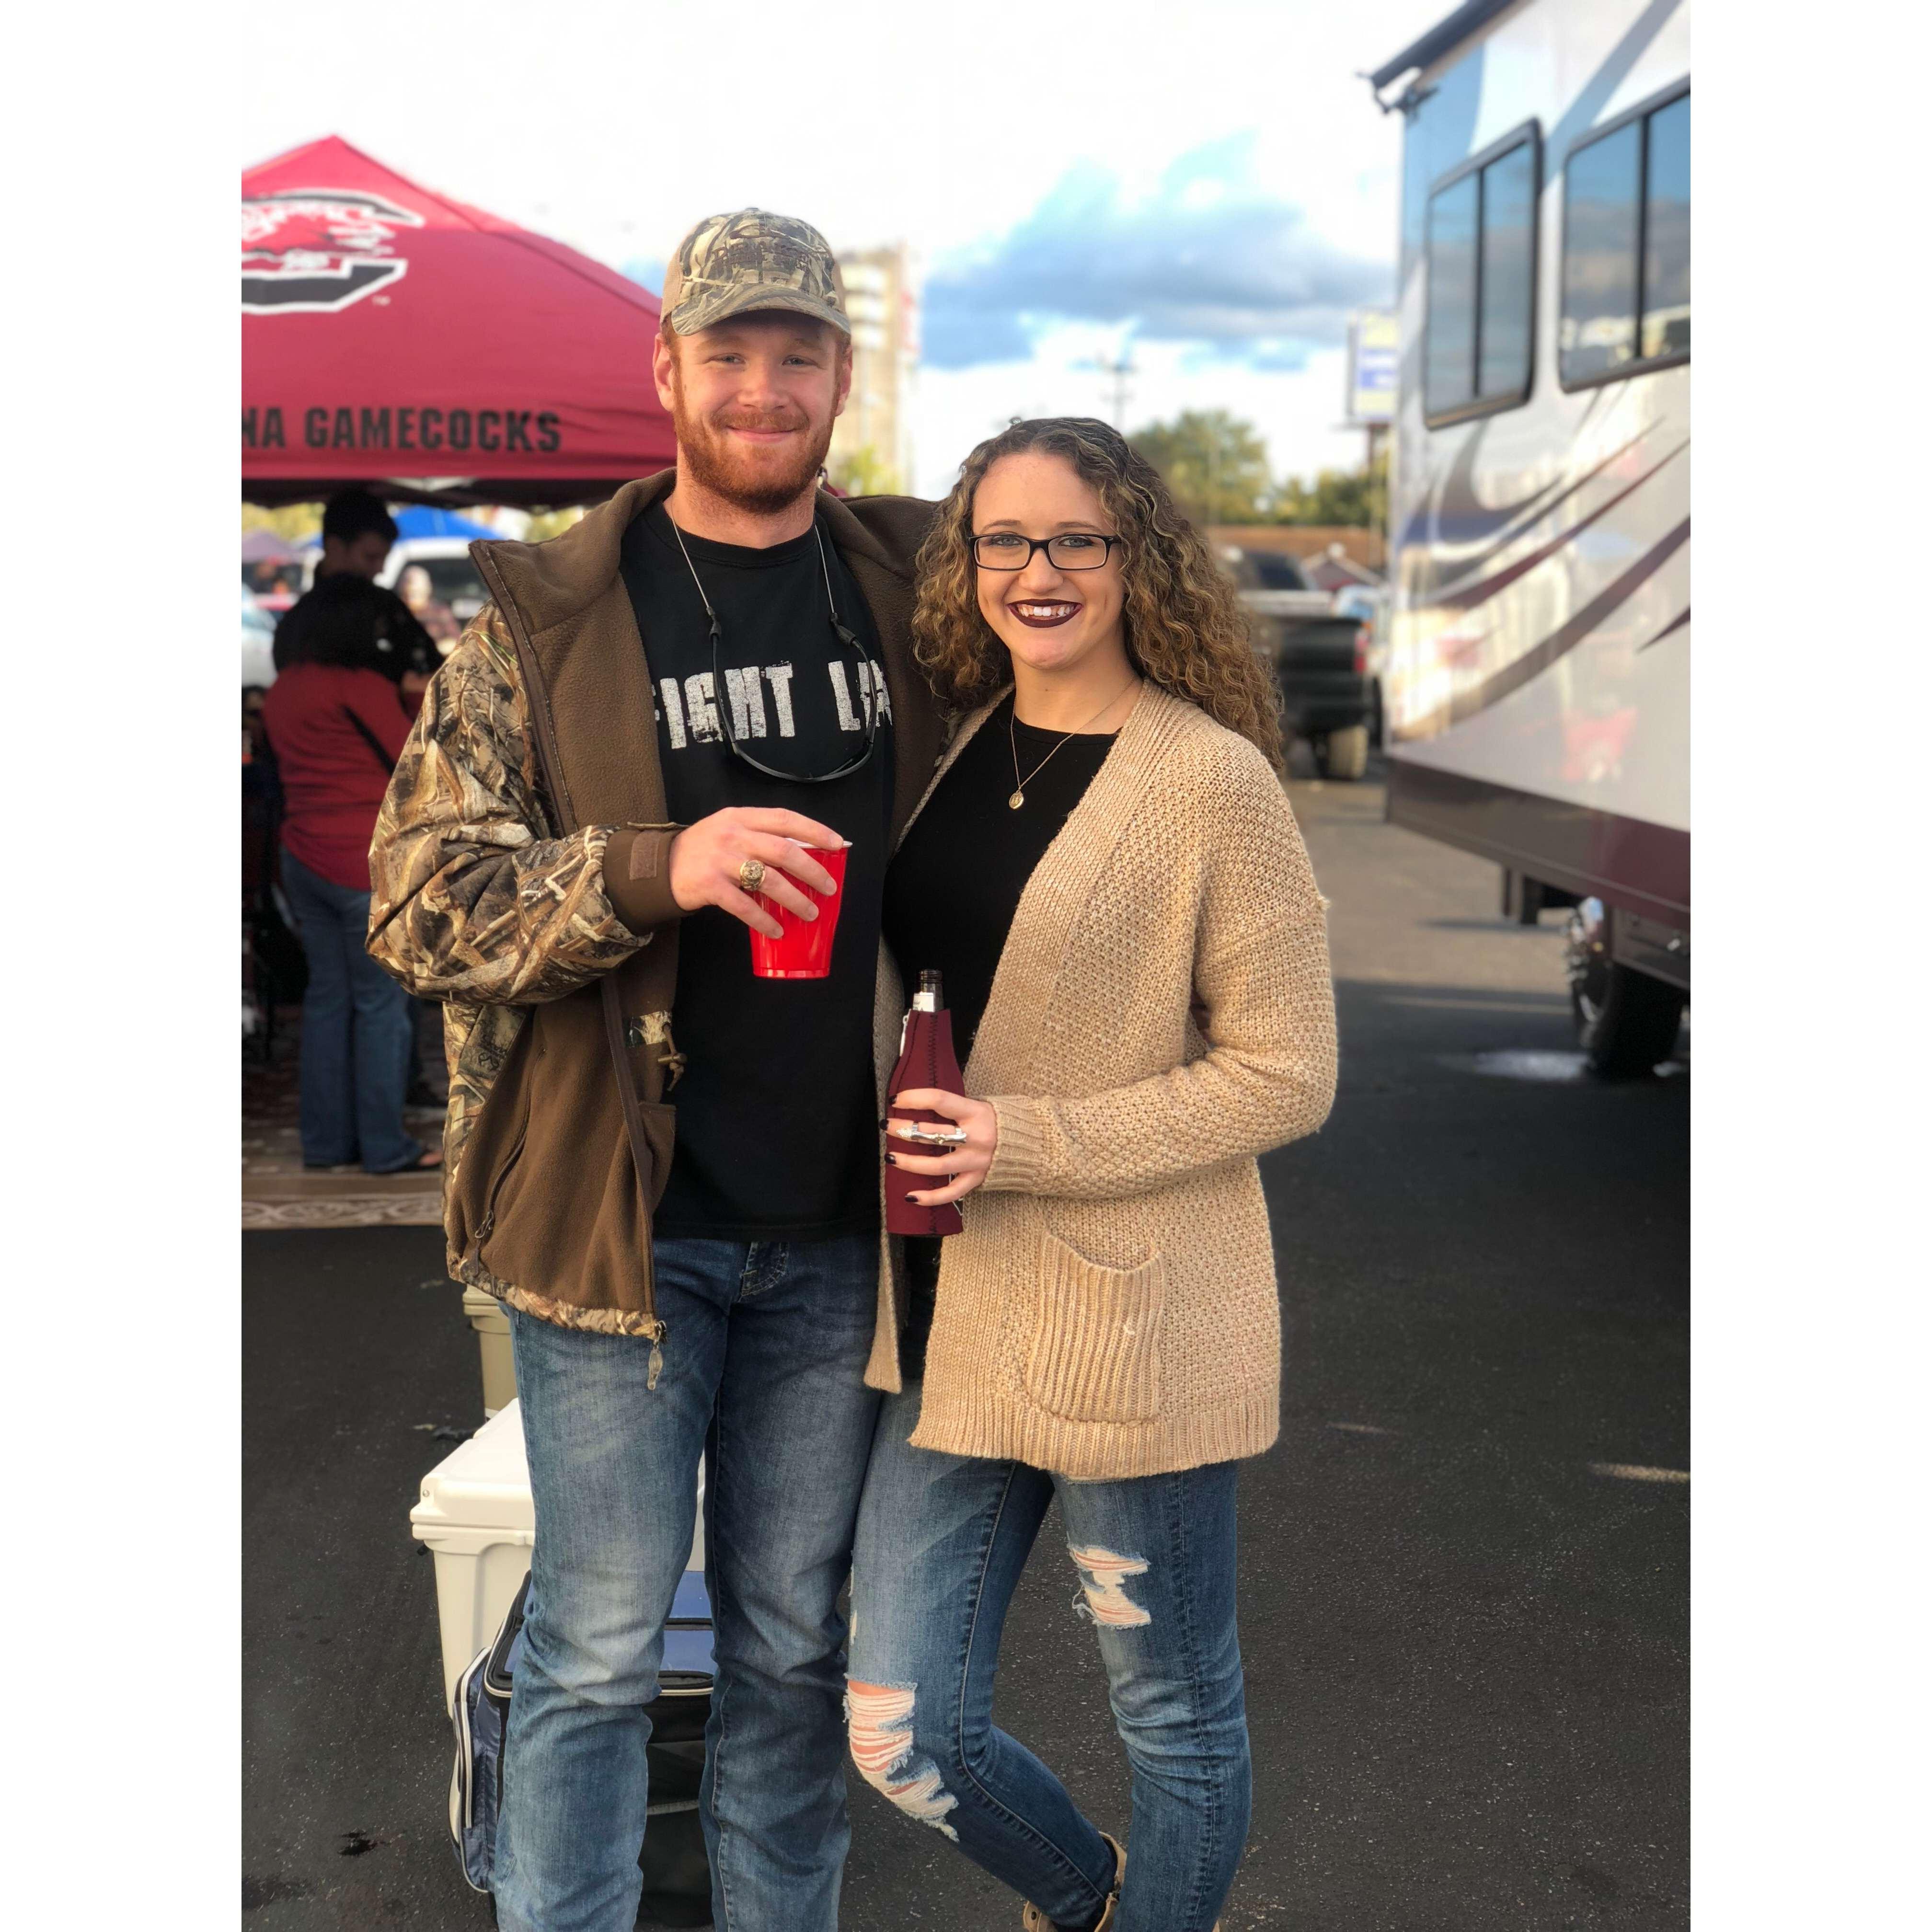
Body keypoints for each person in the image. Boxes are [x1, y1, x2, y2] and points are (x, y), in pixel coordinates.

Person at [366, 208, 942, 1932]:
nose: (762, 388)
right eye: (728, 352)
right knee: (600, 1649)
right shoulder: (538, 618)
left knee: (789, 1648)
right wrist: (645, 868)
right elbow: (418, 899)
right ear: (668, 373)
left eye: (796, 353)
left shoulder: (925, 598)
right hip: (620, 1236)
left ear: (839, 375)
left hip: (846, 1234)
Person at [847, 418, 1338, 1932]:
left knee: (1174, 1716)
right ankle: (1090, 1901)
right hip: (949, 1318)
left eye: (1077, 541)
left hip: (1134, 1323)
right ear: (969, 562)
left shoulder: (1210, 782)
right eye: (1006, 540)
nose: (1039, 572)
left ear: (1139, 559)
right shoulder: (952, 749)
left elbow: (1289, 1072)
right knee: (899, 1729)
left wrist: (1031, 1140)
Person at [259, 574, 443, 1174]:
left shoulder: (286, 688)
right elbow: (414, 756)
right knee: (381, 1005)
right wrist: (417, 699)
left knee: (327, 1001)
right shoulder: (360, 686)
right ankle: (386, 1148)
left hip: (303, 860)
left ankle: (326, 1144)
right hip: (364, 861)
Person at [395, 562, 462, 652]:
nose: (411, 597)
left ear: (427, 590)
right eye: (407, 594)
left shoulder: (440, 612)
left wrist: (436, 648)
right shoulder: (395, 611)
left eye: (417, 593)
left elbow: (458, 642)